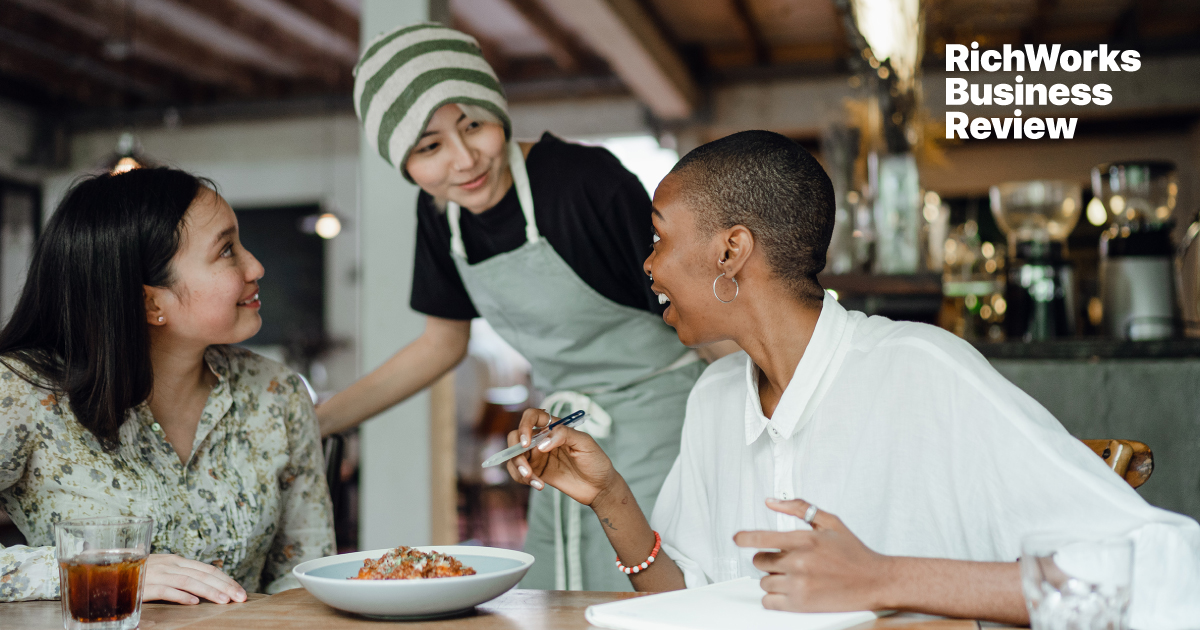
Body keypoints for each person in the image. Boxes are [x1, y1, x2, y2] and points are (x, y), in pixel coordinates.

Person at [504, 130, 1200, 627]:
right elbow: (686, 608)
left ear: (731, 250)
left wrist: (883, 579)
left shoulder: (921, 370)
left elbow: (1171, 574)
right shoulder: (714, 399)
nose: (647, 264)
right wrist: (610, 496)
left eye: (659, 236)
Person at [318, 23, 710, 590]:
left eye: (473, 125)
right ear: (404, 165)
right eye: (429, 147)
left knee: (652, 598)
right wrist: (317, 423)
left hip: (667, 427)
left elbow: (703, 314)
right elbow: (440, 345)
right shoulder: (440, 216)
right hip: (562, 434)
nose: (463, 160)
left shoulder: (585, 182)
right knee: (556, 596)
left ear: (497, 111)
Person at [0, 168, 335, 603]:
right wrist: (98, 572)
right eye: (227, 251)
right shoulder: (23, 391)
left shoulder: (277, 393)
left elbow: (306, 578)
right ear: (150, 301)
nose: (256, 266)